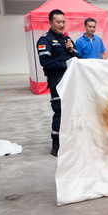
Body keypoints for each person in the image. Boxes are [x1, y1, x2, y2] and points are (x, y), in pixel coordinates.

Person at [37, 9, 80, 156]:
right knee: (60, 112)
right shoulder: (45, 40)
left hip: (71, 81)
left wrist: (71, 51)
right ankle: (56, 143)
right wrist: (66, 63)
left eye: (63, 22)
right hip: (57, 82)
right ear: (50, 22)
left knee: (73, 111)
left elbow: (77, 59)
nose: (62, 25)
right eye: (58, 22)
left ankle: (70, 141)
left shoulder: (67, 40)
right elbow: (45, 62)